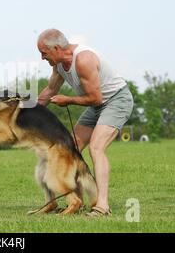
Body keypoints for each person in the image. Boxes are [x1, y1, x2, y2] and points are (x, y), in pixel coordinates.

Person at [36, 29, 133, 217]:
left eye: (43, 53)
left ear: (56, 48)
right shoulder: (58, 65)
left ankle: (102, 206)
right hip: (97, 105)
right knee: (69, 149)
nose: (42, 58)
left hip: (116, 100)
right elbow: (49, 90)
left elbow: (95, 98)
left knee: (96, 148)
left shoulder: (83, 59)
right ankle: (77, 203)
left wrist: (68, 100)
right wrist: (28, 111)